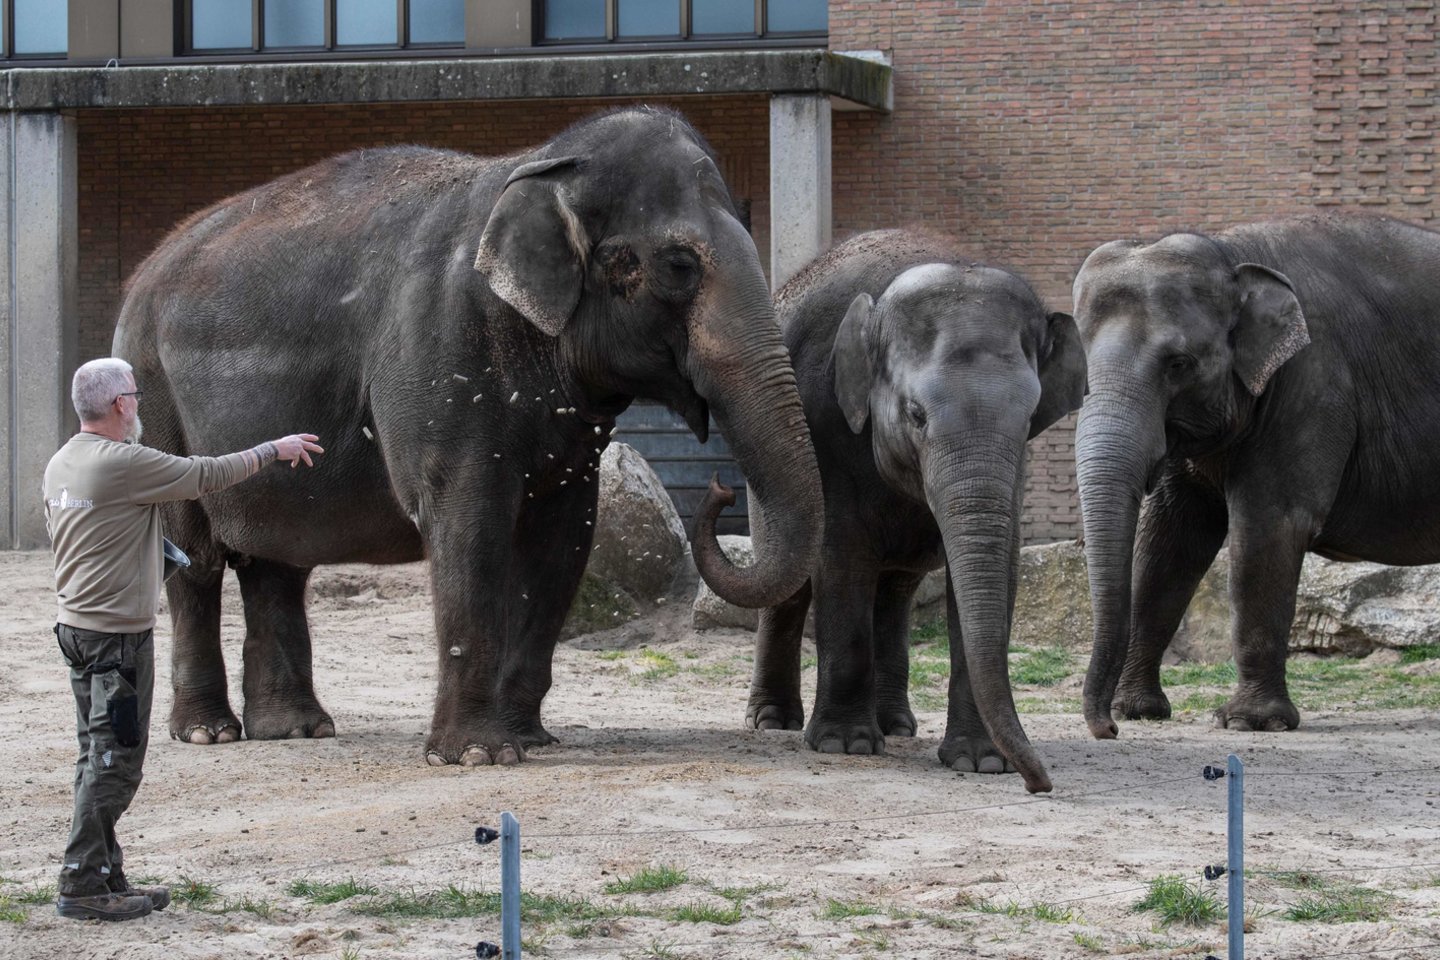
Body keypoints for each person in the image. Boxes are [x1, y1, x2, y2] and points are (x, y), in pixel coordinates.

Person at [43, 357, 324, 922]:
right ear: (121, 404)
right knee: (117, 762)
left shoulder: (63, 462)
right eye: (137, 396)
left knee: (94, 753)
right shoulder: (121, 462)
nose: (140, 405)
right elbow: (205, 475)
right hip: (116, 642)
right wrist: (274, 448)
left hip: (77, 630)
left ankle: (105, 873)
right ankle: (80, 883)